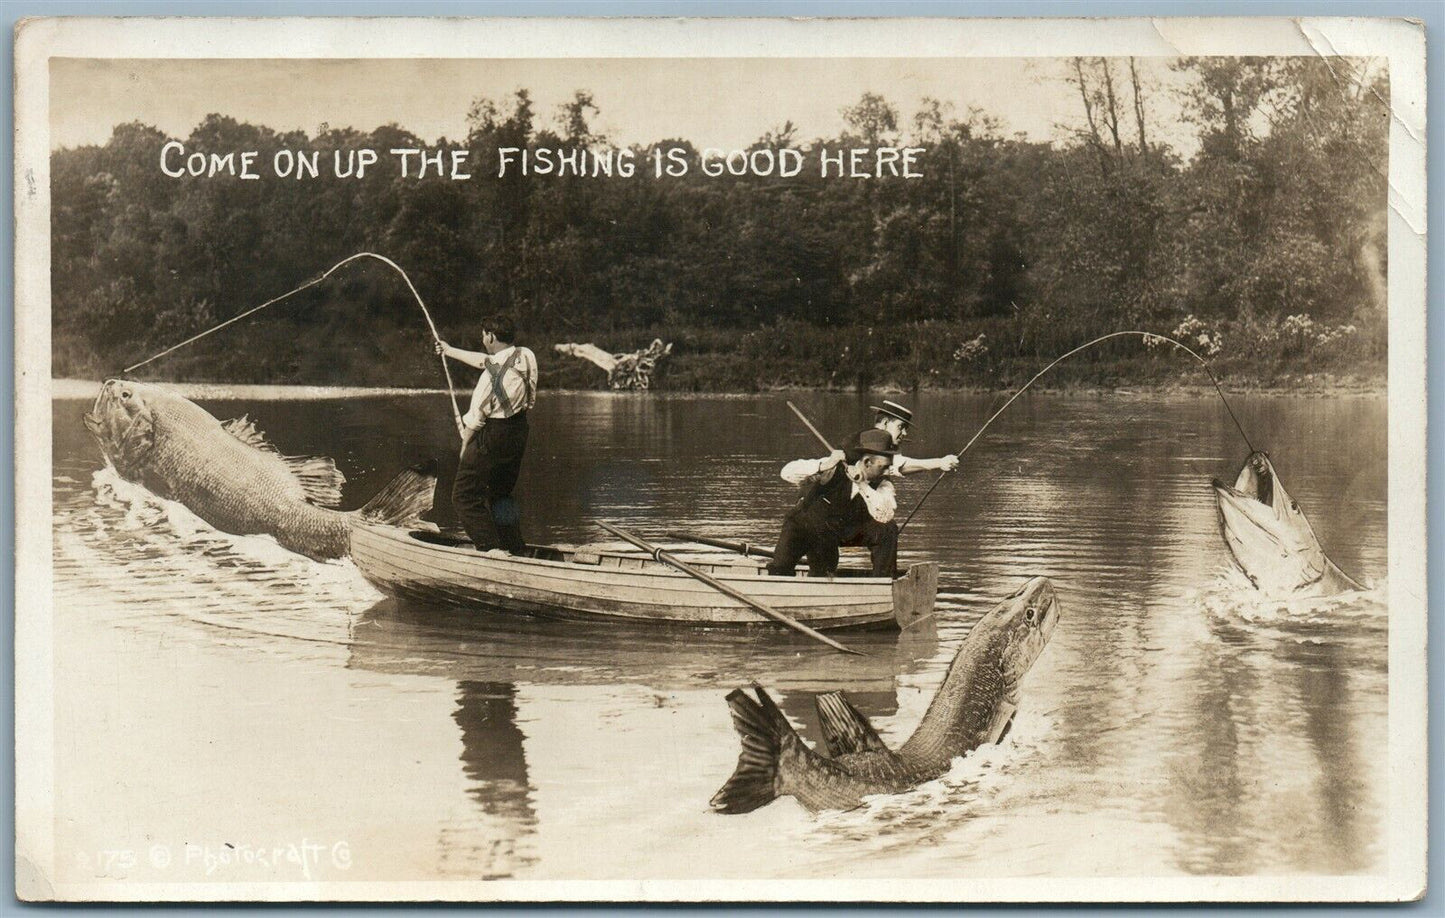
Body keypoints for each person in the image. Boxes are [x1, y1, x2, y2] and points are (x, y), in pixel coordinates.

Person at [435, 315, 537, 554]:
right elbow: (486, 361)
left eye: (484, 334)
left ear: (490, 336)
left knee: (463, 496)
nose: (483, 338)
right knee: (501, 494)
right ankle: (515, 548)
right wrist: (449, 351)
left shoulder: (490, 376)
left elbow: (476, 417)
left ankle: (491, 549)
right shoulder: (526, 355)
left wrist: (464, 447)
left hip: (494, 434)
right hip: (519, 431)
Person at [767, 428, 901, 579]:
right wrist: (825, 465)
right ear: (867, 462)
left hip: (840, 530)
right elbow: (786, 472)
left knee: (888, 530)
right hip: (804, 524)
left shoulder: (884, 484)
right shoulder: (832, 465)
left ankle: (883, 583)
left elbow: (885, 515)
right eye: (883, 467)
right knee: (780, 570)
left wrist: (863, 484)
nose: (888, 471)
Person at [864, 400, 960, 476]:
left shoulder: (874, 441)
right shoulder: (873, 439)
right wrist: (940, 462)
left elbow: (897, 466)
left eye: (906, 429)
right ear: (885, 423)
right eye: (901, 427)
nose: (905, 433)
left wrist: (940, 463)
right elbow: (901, 465)